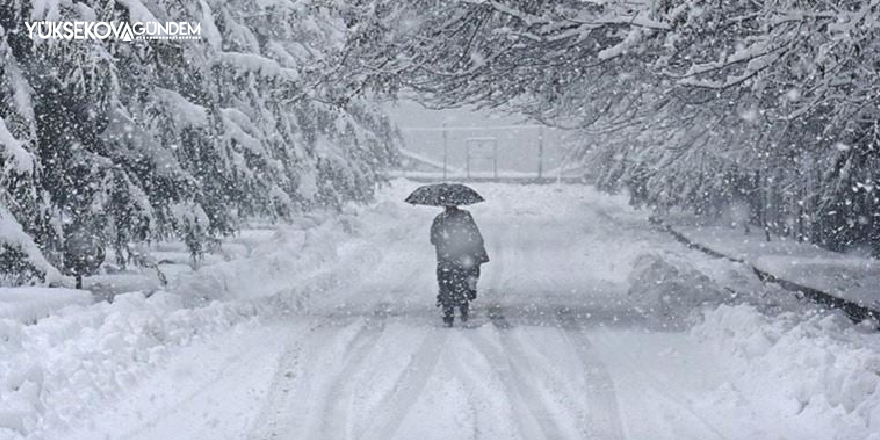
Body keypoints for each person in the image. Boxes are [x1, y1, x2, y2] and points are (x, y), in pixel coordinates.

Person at [431, 204, 489, 326]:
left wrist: (444, 243)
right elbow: (475, 235)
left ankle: (448, 311)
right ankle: (465, 303)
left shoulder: (439, 219)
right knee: (466, 278)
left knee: (445, 282)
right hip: (464, 256)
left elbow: (434, 239)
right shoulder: (465, 217)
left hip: (446, 258)